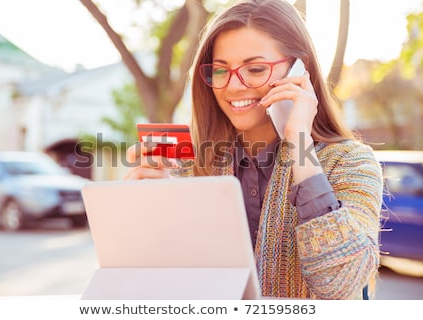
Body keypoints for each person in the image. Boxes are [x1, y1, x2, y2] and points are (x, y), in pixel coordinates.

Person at [124, 0, 383, 300]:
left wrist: (300, 143)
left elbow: (340, 285)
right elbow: (161, 290)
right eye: (220, 71)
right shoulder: (186, 164)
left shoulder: (351, 163)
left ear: (301, 69)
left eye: (255, 69)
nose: (233, 86)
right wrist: (144, 218)